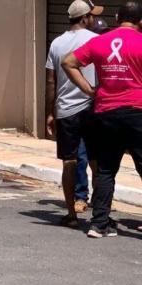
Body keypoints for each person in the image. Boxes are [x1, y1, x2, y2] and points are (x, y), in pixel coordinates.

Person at [63, 1, 142, 238]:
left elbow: (68, 62)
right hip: (137, 111)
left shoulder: (99, 41)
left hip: (106, 112)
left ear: (117, 17)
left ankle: (98, 224)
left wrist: (89, 90)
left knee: (106, 169)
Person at [45, 0, 103, 227]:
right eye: (91, 16)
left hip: (65, 110)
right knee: (97, 162)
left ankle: (71, 214)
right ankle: (101, 213)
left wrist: (50, 113)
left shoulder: (57, 43)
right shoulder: (96, 40)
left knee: (69, 162)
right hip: (93, 106)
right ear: (84, 18)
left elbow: (51, 81)